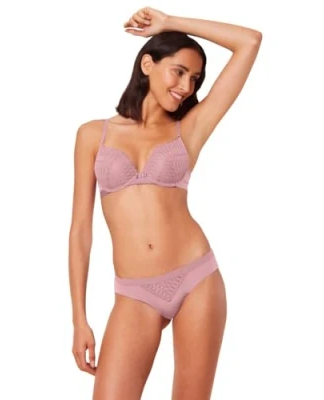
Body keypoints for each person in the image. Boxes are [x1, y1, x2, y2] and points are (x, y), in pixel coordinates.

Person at [68, 6, 262, 400]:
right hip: (134, 292)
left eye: (195, 78)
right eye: (179, 71)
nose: (187, 86)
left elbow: (250, 41)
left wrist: (171, 23)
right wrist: (79, 319)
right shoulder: (93, 135)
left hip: (196, 278)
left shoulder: (189, 129)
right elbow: (80, 232)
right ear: (147, 65)